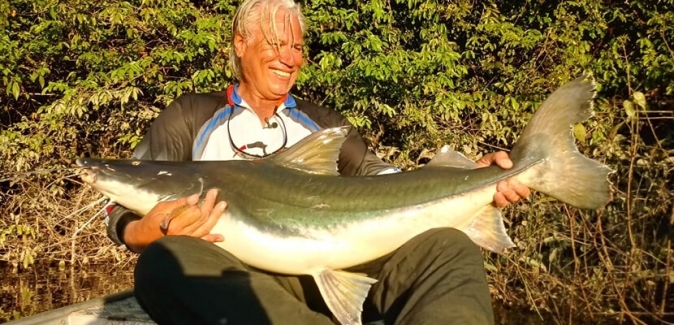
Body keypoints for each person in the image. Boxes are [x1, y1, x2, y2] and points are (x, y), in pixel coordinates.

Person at [104, 0, 531, 324]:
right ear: (240, 44)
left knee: (448, 247)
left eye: (296, 46)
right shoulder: (191, 115)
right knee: (164, 265)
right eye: (275, 43)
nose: (288, 58)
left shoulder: (324, 123)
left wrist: (475, 177)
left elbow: (385, 178)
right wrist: (142, 231)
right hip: (239, 279)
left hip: (345, 263)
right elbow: (128, 193)